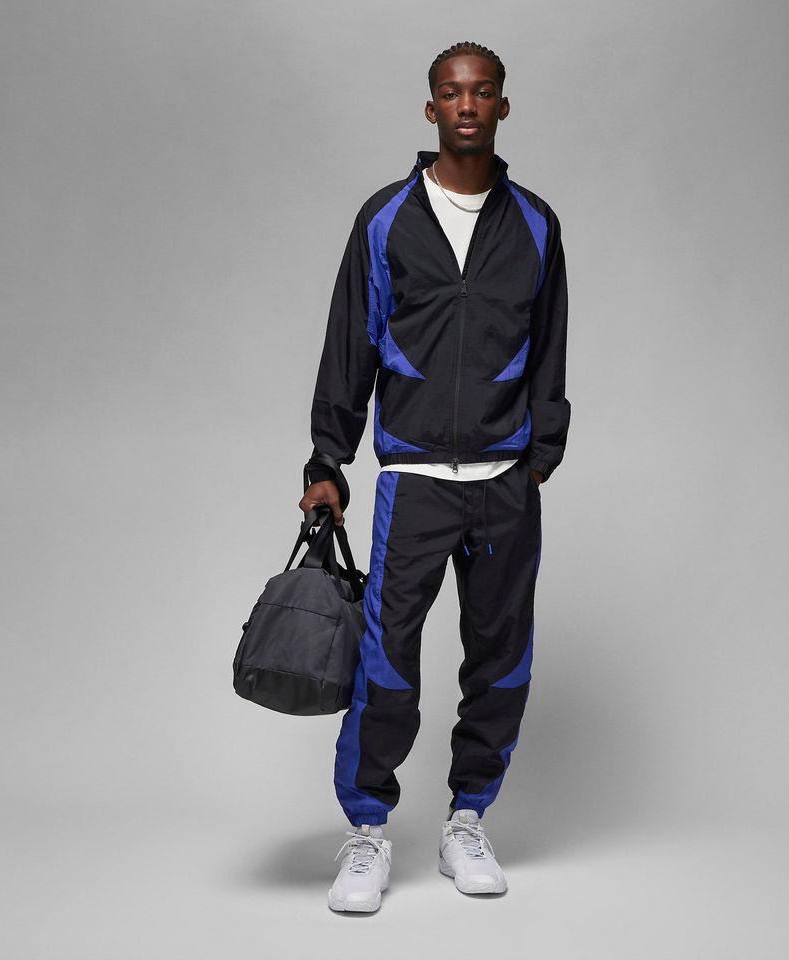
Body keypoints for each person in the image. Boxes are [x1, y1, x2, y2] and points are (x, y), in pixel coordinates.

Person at [298, 41, 570, 913]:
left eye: (482, 91)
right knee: (387, 660)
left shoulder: (535, 224)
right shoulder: (386, 220)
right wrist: (328, 460)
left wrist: (540, 455)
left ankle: (467, 820)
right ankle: (367, 831)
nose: (467, 105)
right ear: (431, 109)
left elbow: (550, 350)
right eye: (452, 93)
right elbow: (350, 342)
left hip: (503, 484)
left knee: (500, 660)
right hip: (413, 480)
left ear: (502, 106)